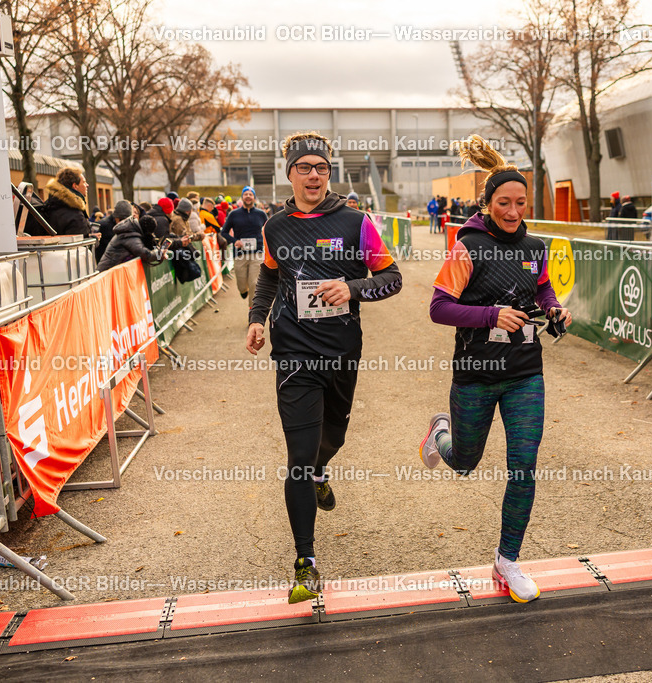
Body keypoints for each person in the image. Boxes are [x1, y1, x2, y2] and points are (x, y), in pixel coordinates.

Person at [245, 131, 402, 604]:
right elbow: (269, 276)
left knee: (332, 438)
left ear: (329, 174)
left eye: (321, 168)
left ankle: (320, 470)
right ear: (289, 173)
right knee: (298, 453)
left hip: (341, 352)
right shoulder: (275, 227)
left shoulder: (357, 222)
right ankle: (306, 561)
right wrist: (256, 319)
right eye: (304, 167)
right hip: (293, 354)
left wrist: (352, 289)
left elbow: (391, 279)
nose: (313, 175)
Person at [418, 134, 571, 604]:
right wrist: (491, 315)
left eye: (520, 202)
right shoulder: (468, 247)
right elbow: (439, 308)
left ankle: (507, 561)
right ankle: (438, 433)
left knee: (523, 466)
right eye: (504, 202)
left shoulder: (536, 246)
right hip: (477, 372)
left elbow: (542, 290)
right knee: (465, 462)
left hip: (526, 371)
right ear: (486, 203)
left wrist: (555, 309)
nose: (513, 211)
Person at [97, 206, 182, 272]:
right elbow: (145, 254)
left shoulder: (132, 231)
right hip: (108, 274)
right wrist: (159, 253)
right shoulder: (130, 235)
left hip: (112, 272)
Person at [221, 186, 268, 300]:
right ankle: (243, 290)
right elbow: (224, 232)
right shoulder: (234, 214)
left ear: (254, 198)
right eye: (245, 194)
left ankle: (252, 310)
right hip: (240, 253)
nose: (248, 196)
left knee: (254, 282)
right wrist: (235, 241)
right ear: (242, 197)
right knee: (241, 283)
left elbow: (268, 230)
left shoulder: (261, 214)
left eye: (250, 194)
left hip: (257, 253)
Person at [40, 167, 91, 236]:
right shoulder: (76, 216)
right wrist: (94, 239)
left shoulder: (49, 205)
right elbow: (80, 244)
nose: (87, 185)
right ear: (75, 186)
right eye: (84, 182)